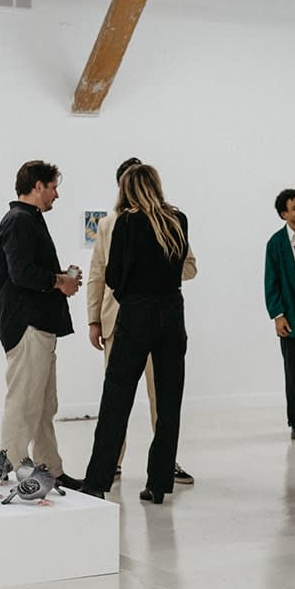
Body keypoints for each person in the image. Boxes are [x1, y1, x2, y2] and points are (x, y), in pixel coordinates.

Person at [82, 165, 191, 504]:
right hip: (172, 313)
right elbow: (181, 267)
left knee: (116, 397)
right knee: (168, 400)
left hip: (136, 314)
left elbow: (113, 275)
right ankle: (158, 483)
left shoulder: (127, 222)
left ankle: (97, 480)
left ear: (126, 189)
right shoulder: (179, 219)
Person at [0, 161, 82, 490]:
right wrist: (60, 281)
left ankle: (50, 471)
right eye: (54, 187)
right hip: (27, 326)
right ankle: (11, 475)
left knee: (44, 405)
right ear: (38, 186)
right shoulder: (19, 221)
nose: (56, 194)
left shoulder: (29, 220)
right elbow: (21, 273)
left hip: (38, 325)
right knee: (25, 405)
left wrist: (60, 280)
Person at [263, 187, 295, 440]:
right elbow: (271, 283)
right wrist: (278, 315)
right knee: (293, 373)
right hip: (291, 319)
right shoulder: (276, 244)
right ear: (283, 214)